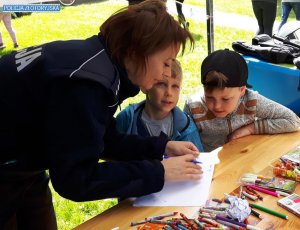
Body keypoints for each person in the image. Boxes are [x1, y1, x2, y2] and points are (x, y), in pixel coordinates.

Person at [0, 1, 202, 229]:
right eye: (166, 63)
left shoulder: (100, 62)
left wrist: (161, 147)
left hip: (24, 164)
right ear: (136, 51)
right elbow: (76, 179)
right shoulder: (86, 84)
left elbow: (101, 138)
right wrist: (159, 172)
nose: (167, 72)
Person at [184, 49, 300, 152]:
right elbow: (187, 146)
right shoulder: (193, 107)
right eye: (209, 97)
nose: (217, 106)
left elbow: (293, 121)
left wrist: (250, 129)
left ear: (242, 90)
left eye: (226, 99)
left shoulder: (250, 101)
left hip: (242, 160)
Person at [116, 59, 204, 151]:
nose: (169, 93)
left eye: (175, 86)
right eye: (161, 84)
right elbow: (113, 156)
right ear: (145, 86)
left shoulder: (186, 128)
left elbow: (198, 161)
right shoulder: (127, 119)